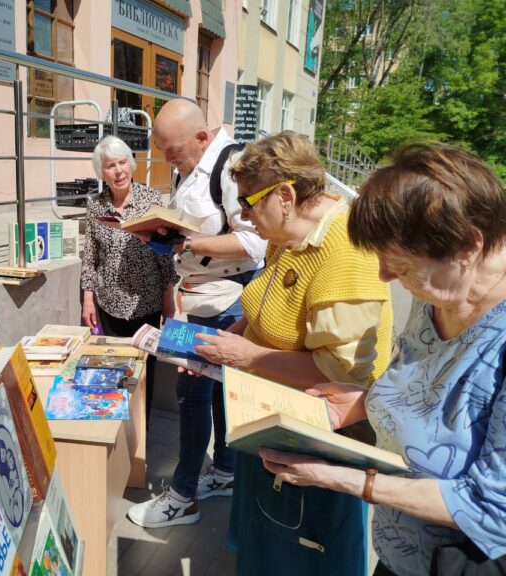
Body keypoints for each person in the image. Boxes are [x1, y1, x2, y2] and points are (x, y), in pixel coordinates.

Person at [257, 142, 506, 575]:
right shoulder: (440, 292)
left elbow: (490, 509)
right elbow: (428, 396)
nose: (385, 276)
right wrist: (367, 399)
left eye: (400, 265)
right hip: (398, 555)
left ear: (467, 248)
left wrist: (342, 478)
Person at [195, 131, 393, 575]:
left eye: (247, 203)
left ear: (285, 196)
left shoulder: (347, 254)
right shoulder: (285, 231)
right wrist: (221, 346)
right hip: (272, 414)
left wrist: (247, 356)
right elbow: (264, 306)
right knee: (266, 539)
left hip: (319, 436)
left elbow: (340, 376)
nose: (243, 217)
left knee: (301, 551)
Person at [127, 99, 266, 528]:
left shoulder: (233, 167)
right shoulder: (190, 166)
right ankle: (224, 471)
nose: (169, 161)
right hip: (196, 296)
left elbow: (255, 243)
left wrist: (188, 244)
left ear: (202, 137)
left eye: (173, 152)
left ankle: (182, 496)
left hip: (225, 300)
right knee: (218, 391)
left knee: (192, 394)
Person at [80, 135, 178, 423]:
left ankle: (140, 433)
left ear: (131, 164)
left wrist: (169, 298)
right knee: (112, 369)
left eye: (122, 162)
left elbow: (164, 254)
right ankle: (116, 430)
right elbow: (91, 256)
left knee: (144, 373)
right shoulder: (96, 205)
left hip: (146, 304)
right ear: (102, 172)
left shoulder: (151, 199)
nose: (119, 171)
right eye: (111, 165)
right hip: (108, 304)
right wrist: (88, 299)